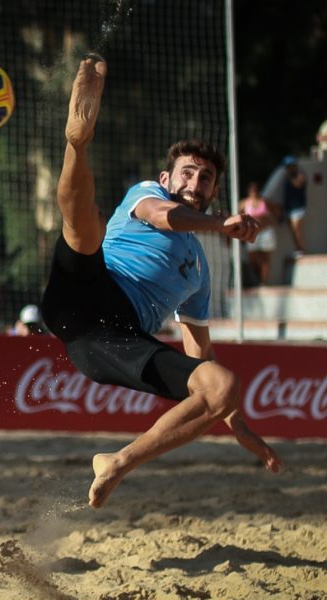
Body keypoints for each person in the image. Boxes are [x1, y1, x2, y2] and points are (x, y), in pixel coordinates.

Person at [39, 57, 282, 509]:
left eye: (206, 178)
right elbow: (163, 216)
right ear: (168, 177)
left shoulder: (200, 272)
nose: (196, 181)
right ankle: (77, 144)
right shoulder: (146, 194)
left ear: (214, 190)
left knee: (220, 383)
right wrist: (218, 223)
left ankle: (117, 463)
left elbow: (199, 354)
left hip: (109, 343)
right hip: (89, 289)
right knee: (82, 226)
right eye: (188, 172)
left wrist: (243, 429)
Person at [240, 181, 279, 285]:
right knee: (252, 258)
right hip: (252, 233)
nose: (254, 192)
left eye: (256, 189)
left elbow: (277, 212)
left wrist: (270, 221)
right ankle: (257, 279)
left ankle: (263, 282)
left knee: (266, 258)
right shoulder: (244, 203)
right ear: (248, 191)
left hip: (266, 232)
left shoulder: (264, 202)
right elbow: (237, 216)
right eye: (252, 190)